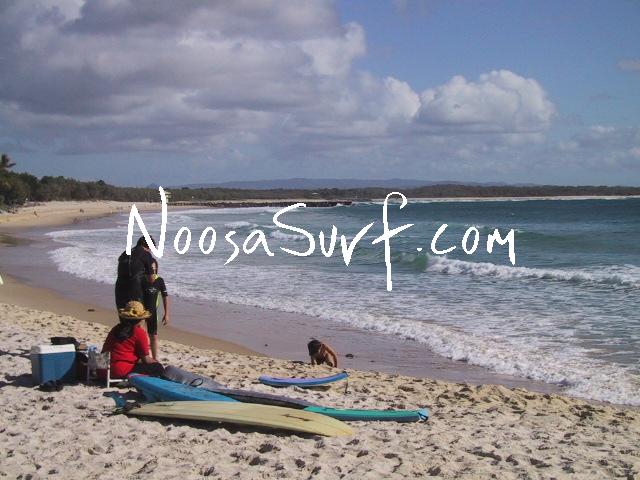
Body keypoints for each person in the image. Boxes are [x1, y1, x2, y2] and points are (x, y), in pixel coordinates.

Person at [102, 300, 165, 378]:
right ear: (141, 319)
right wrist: (156, 362)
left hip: (102, 369)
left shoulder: (115, 328)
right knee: (158, 367)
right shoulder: (138, 332)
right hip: (118, 371)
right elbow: (146, 359)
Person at [115, 235, 155, 309]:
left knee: (123, 313)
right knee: (136, 313)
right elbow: (151, 279)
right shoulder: (146, 254)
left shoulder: (125, 253)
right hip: (134, 288)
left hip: (119, 287)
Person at [142, 258, 170, 359]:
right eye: (150, 268)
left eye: (154, 269)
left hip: (153, 313)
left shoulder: (159, 281)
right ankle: (143, 357)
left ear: (156, 268)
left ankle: (154, 359)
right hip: (141, 313)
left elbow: (165, 297)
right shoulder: (141, 279)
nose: (152, 270)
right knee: (141, 336)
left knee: (153, 337)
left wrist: (166, 314)